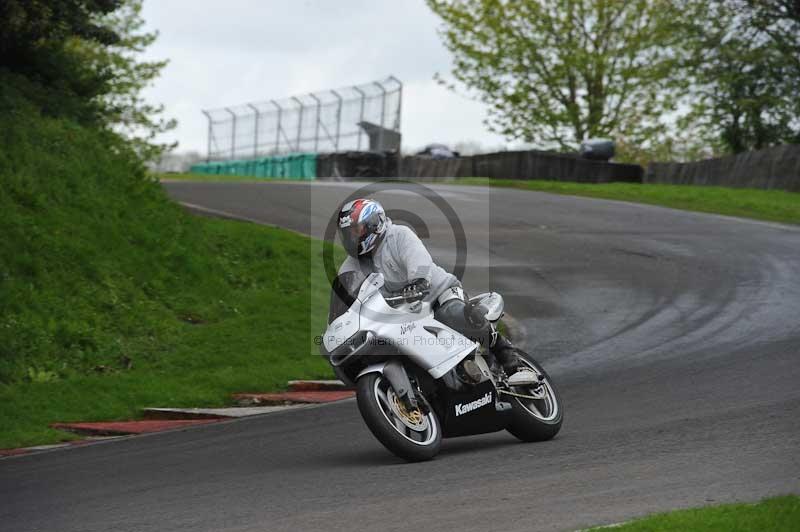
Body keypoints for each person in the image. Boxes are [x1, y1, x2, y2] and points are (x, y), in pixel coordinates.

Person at [335, 197, 526, 378]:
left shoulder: (399, 235)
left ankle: (508, 357)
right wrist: (336, 323)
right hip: (402, 314)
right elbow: (343, 295)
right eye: (347, 233)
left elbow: (420, 263)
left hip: (437, 294)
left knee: (453, 315)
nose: (352, 237)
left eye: (356, 230)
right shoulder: (351, 265)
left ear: (374, 224)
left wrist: (418, 281)